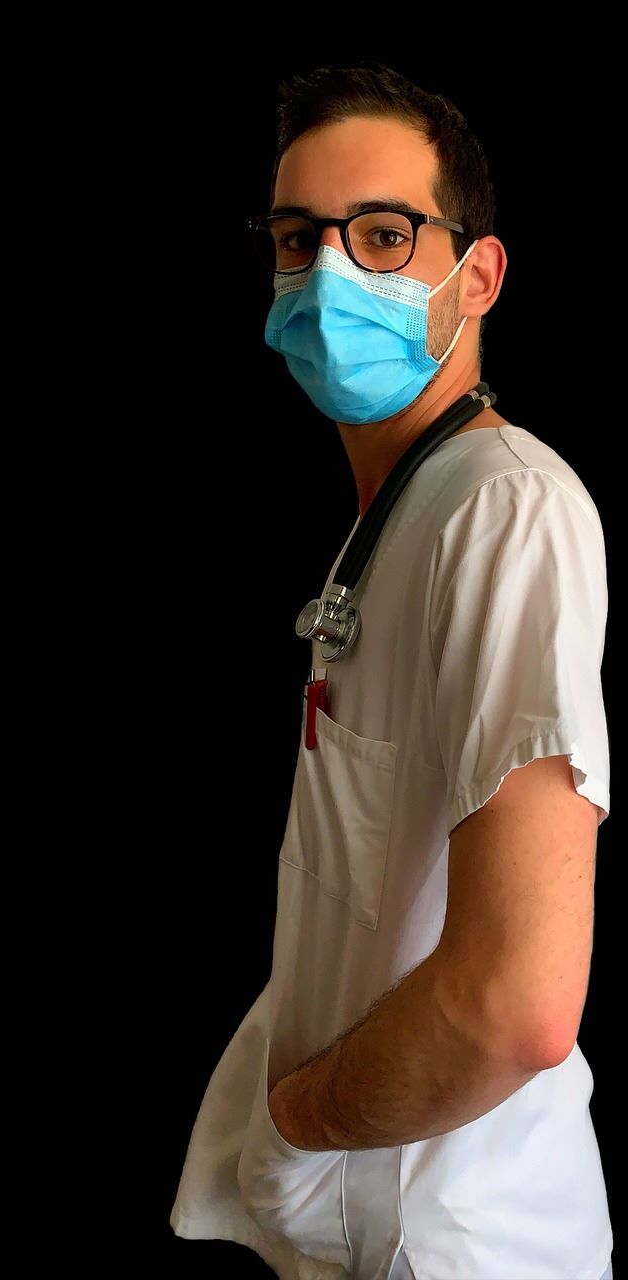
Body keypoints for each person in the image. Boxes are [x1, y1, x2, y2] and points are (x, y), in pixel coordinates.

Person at [168, 62, 613, 1280]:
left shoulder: (504, 507)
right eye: (295, 237)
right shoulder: (400, 518)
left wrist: (296, 1125)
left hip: (452, 1246)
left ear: (475, 276)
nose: (326, 275)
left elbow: (516, 1001)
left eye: (380, 235)